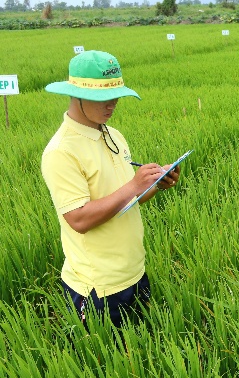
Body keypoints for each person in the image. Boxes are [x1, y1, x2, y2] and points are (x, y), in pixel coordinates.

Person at [41, 50, 181, 328]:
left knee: (139, 356)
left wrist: (154, 184)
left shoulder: (112, 134)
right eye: (103, 97)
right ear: (76, 94)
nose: (113, 104)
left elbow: (127, 200)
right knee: (106, 366)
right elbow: (78, 219)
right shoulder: (61, 151)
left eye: (116, 95)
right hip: (97, 286)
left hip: (133, 272)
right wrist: (133, 185)